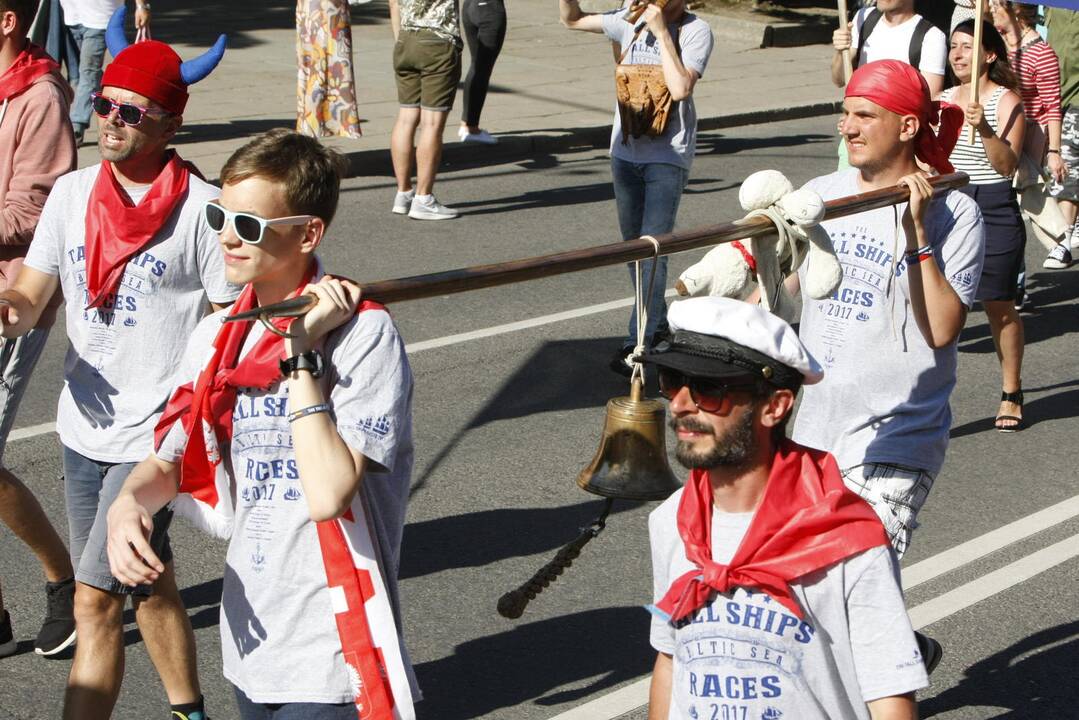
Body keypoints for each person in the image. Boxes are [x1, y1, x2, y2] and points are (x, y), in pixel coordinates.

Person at [106, 129, 419, 719]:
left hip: (332, 650)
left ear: (307, 233)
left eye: (249, 225)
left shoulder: (362, 336)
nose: (226, 236)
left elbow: (329, 493)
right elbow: (167, 460)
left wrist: (300, 350)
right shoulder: (217, 334)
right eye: (219, 216)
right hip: (251, 639)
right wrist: (128, 503)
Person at [0, 10, 232, 718]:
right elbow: (33, 299)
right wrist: (6, 307)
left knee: (94, 599)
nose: (109, 119)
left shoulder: (204, 211)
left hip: (152, 440)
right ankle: (190, 710)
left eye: (131, 111)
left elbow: (229, 325)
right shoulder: (73, 196)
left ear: (169, 125)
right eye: (103, 103)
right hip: (81, 430)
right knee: (147, 580)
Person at [642, 296, 927, 720]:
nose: (681, 404)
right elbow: (670, 659)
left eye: (708, 390)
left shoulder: (846, 537)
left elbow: (889, 694)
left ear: (774, 406)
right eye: (671, 381)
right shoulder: (672, 520)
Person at [789, 59, 985, 672]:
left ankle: (878, 679)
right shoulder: (821, 196)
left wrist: (916, 232)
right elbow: (788, 292)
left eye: (862, 115)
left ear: (906, 126)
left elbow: (943, 328)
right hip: (815, 427)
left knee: (853, 580)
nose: (846, 126)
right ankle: (903, 652)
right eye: (844, 111)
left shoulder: (956, 211)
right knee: (816, 588)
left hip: (899, 432)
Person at [559, 0, 714, 375]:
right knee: (634, 250)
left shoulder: (696, 31)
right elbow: (573, 20)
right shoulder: (628, 21)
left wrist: (661, 32)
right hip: (625, 152)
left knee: (652, 248)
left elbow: (679, 89)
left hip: (667, 156)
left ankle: (638, 341)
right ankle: (655, 324)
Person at [0, 0, 78, 660]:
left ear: (6, 20)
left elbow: (35, 209)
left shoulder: (40, 95)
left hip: (11, 297)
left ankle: (64, 584)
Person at [942, 20, 1028, 431]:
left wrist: (985, 128)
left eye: (966, 47)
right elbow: (929, 159)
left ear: (990, 55)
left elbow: (1007, 164)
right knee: (942, 309)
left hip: (993, 203)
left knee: (999, 306)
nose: (957, 54)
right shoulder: (942, 100)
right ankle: (931, 395)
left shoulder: (1005, 100)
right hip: (950, 205)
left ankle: (1011, 390)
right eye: (953, 47)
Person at [994, 1, 1070, 271]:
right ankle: (1018, 272)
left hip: (1031, 130)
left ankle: (1059, 238)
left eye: (996, 5)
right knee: (1007, 202)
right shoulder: (995, 46)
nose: (991, 10)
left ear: (1016, 11)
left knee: (1020, 194)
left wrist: (1054, 152)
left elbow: (1052, 107)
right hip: (999, 125)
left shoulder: (1041, 53)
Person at [388, 0, 462, 220]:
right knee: (431, 123)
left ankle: (403, 193)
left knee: (406, 118)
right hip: (438, 40)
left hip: (406, 37)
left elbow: (393, 3)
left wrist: (400, 38)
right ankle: (423, 199)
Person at [63, 0, 152, 147]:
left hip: (101, 19)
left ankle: (77, 125)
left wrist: (141, 6)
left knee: (88, 72)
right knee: (84, 74)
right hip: (70, 17)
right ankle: (110, 96)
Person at [831, 0, 947, 96]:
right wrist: (841, 52)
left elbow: (930, 102)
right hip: (858, 121)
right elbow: (839, 80)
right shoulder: (864, 18)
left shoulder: (931, 37)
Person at [297, 0, 362, 138]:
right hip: (328, 9)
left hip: (309, 8)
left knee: (313, 68)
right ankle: (311, 130)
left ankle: (310, 129)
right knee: (321, 69)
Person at [1045, 6, 1079, 252]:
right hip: (1056, 93)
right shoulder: (1054, 5)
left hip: (1075, 97)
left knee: (1068, 162)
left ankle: (1063, 243)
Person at [458, 0, 506, 145]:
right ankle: (471, 129)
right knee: (482, 69)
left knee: (477, 65)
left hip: (469, 7)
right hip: (490, 10)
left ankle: (465, 124)